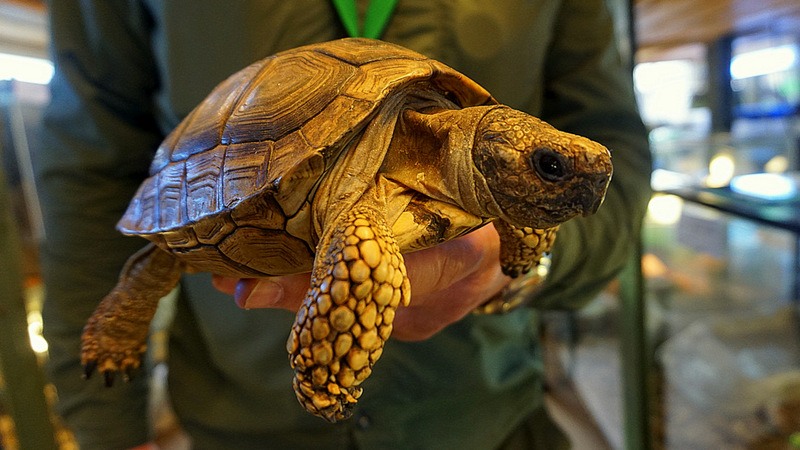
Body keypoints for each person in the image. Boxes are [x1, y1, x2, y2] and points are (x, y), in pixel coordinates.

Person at [35, 1, 652, 449]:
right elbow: (90, 162)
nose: (567, 182)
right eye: (547, 167)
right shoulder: (369, 225)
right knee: (163, 261)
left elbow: (613, 147)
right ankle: (324, 378)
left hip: (485, 415)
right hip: (244, 422)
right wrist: (107, 427)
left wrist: (523, 269)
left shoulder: (492, 170)